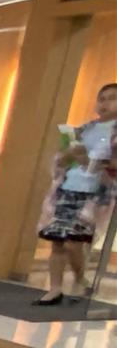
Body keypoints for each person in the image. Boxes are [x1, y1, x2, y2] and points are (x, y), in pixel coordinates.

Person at [35, 81, 117, 306]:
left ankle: (80, 279)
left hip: (93, 194)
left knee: (73, 242)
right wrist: (66, 156)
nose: (105, 103)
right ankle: (55, 289)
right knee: (57, 242)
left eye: (112, 99)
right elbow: (62, 159)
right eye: (102, 99)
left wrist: (93, 162)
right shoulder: (84, 129)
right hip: (68, 187)